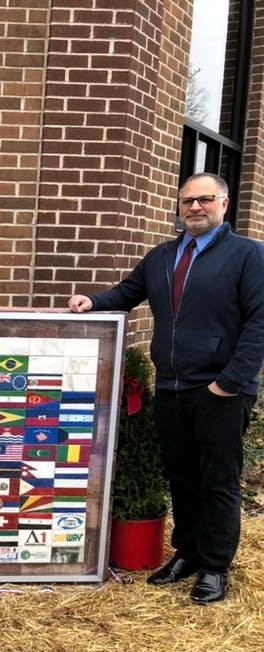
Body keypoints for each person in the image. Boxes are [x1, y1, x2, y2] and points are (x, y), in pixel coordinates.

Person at [69, 172, 264, 604]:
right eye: (187, 201)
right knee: (182, 477)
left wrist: (228, 383)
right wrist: (92, 302)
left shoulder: (250, 256)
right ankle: (187, 553)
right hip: (172, 388)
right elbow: (127, 293)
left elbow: (260, 324)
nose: (194, 207)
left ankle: (214, 566)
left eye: (205, 199)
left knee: (218, 481)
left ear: (224, 204)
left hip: (222, 390)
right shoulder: (161, 257)